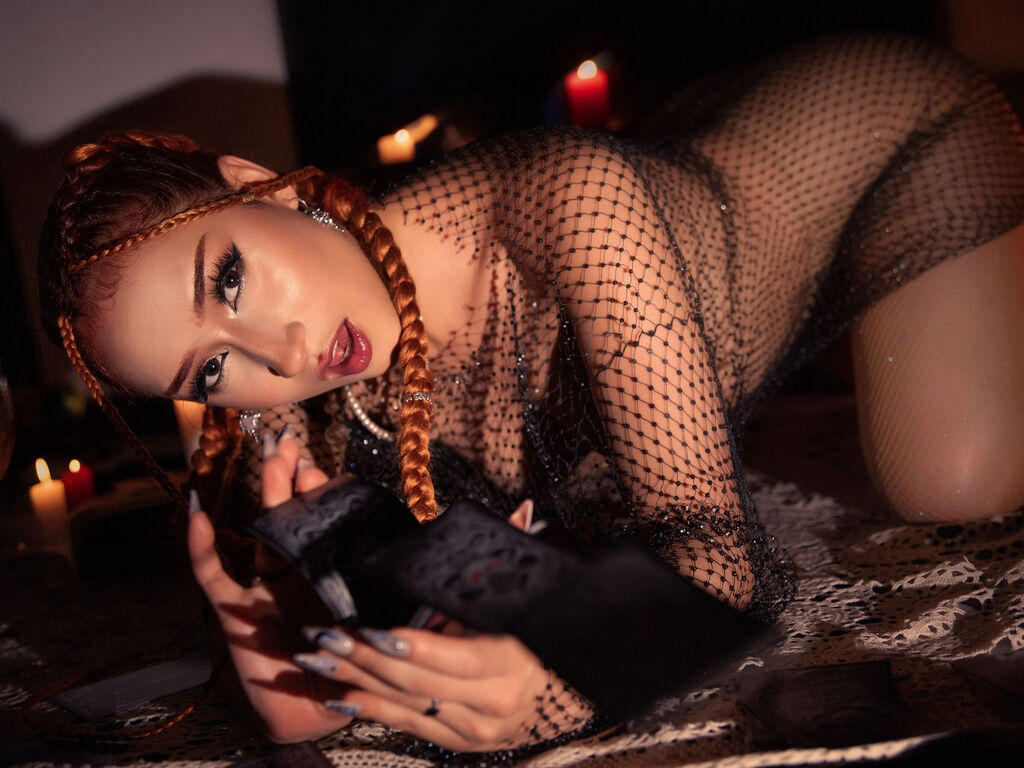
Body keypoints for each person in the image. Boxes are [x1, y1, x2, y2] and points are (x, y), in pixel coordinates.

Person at [38, 32, 1024, 754]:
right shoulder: (300, 406)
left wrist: (560, 692)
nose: (283, 351)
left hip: (899, 134)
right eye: (212, 370)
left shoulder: (574, 208)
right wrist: (304, 670)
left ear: (264, 184)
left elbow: (717, 554)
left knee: (948, 486)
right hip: (713, 177)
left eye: (230, 280)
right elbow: (404, 611)